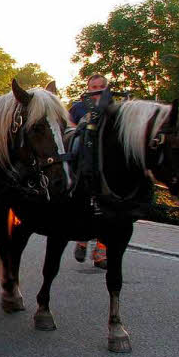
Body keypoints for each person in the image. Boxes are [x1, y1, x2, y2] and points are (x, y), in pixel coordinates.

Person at [69, 73, 109, 269]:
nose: (97, 90)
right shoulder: (79, 107)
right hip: (85, 162)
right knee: (84, 204)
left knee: (107, 210)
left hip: (105, 163)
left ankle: (100, 253)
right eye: (94, 87)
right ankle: (82, 240)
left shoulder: (111, 107)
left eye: (101, 86)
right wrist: (80, 129)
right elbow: (68, 125)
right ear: (88, 88)